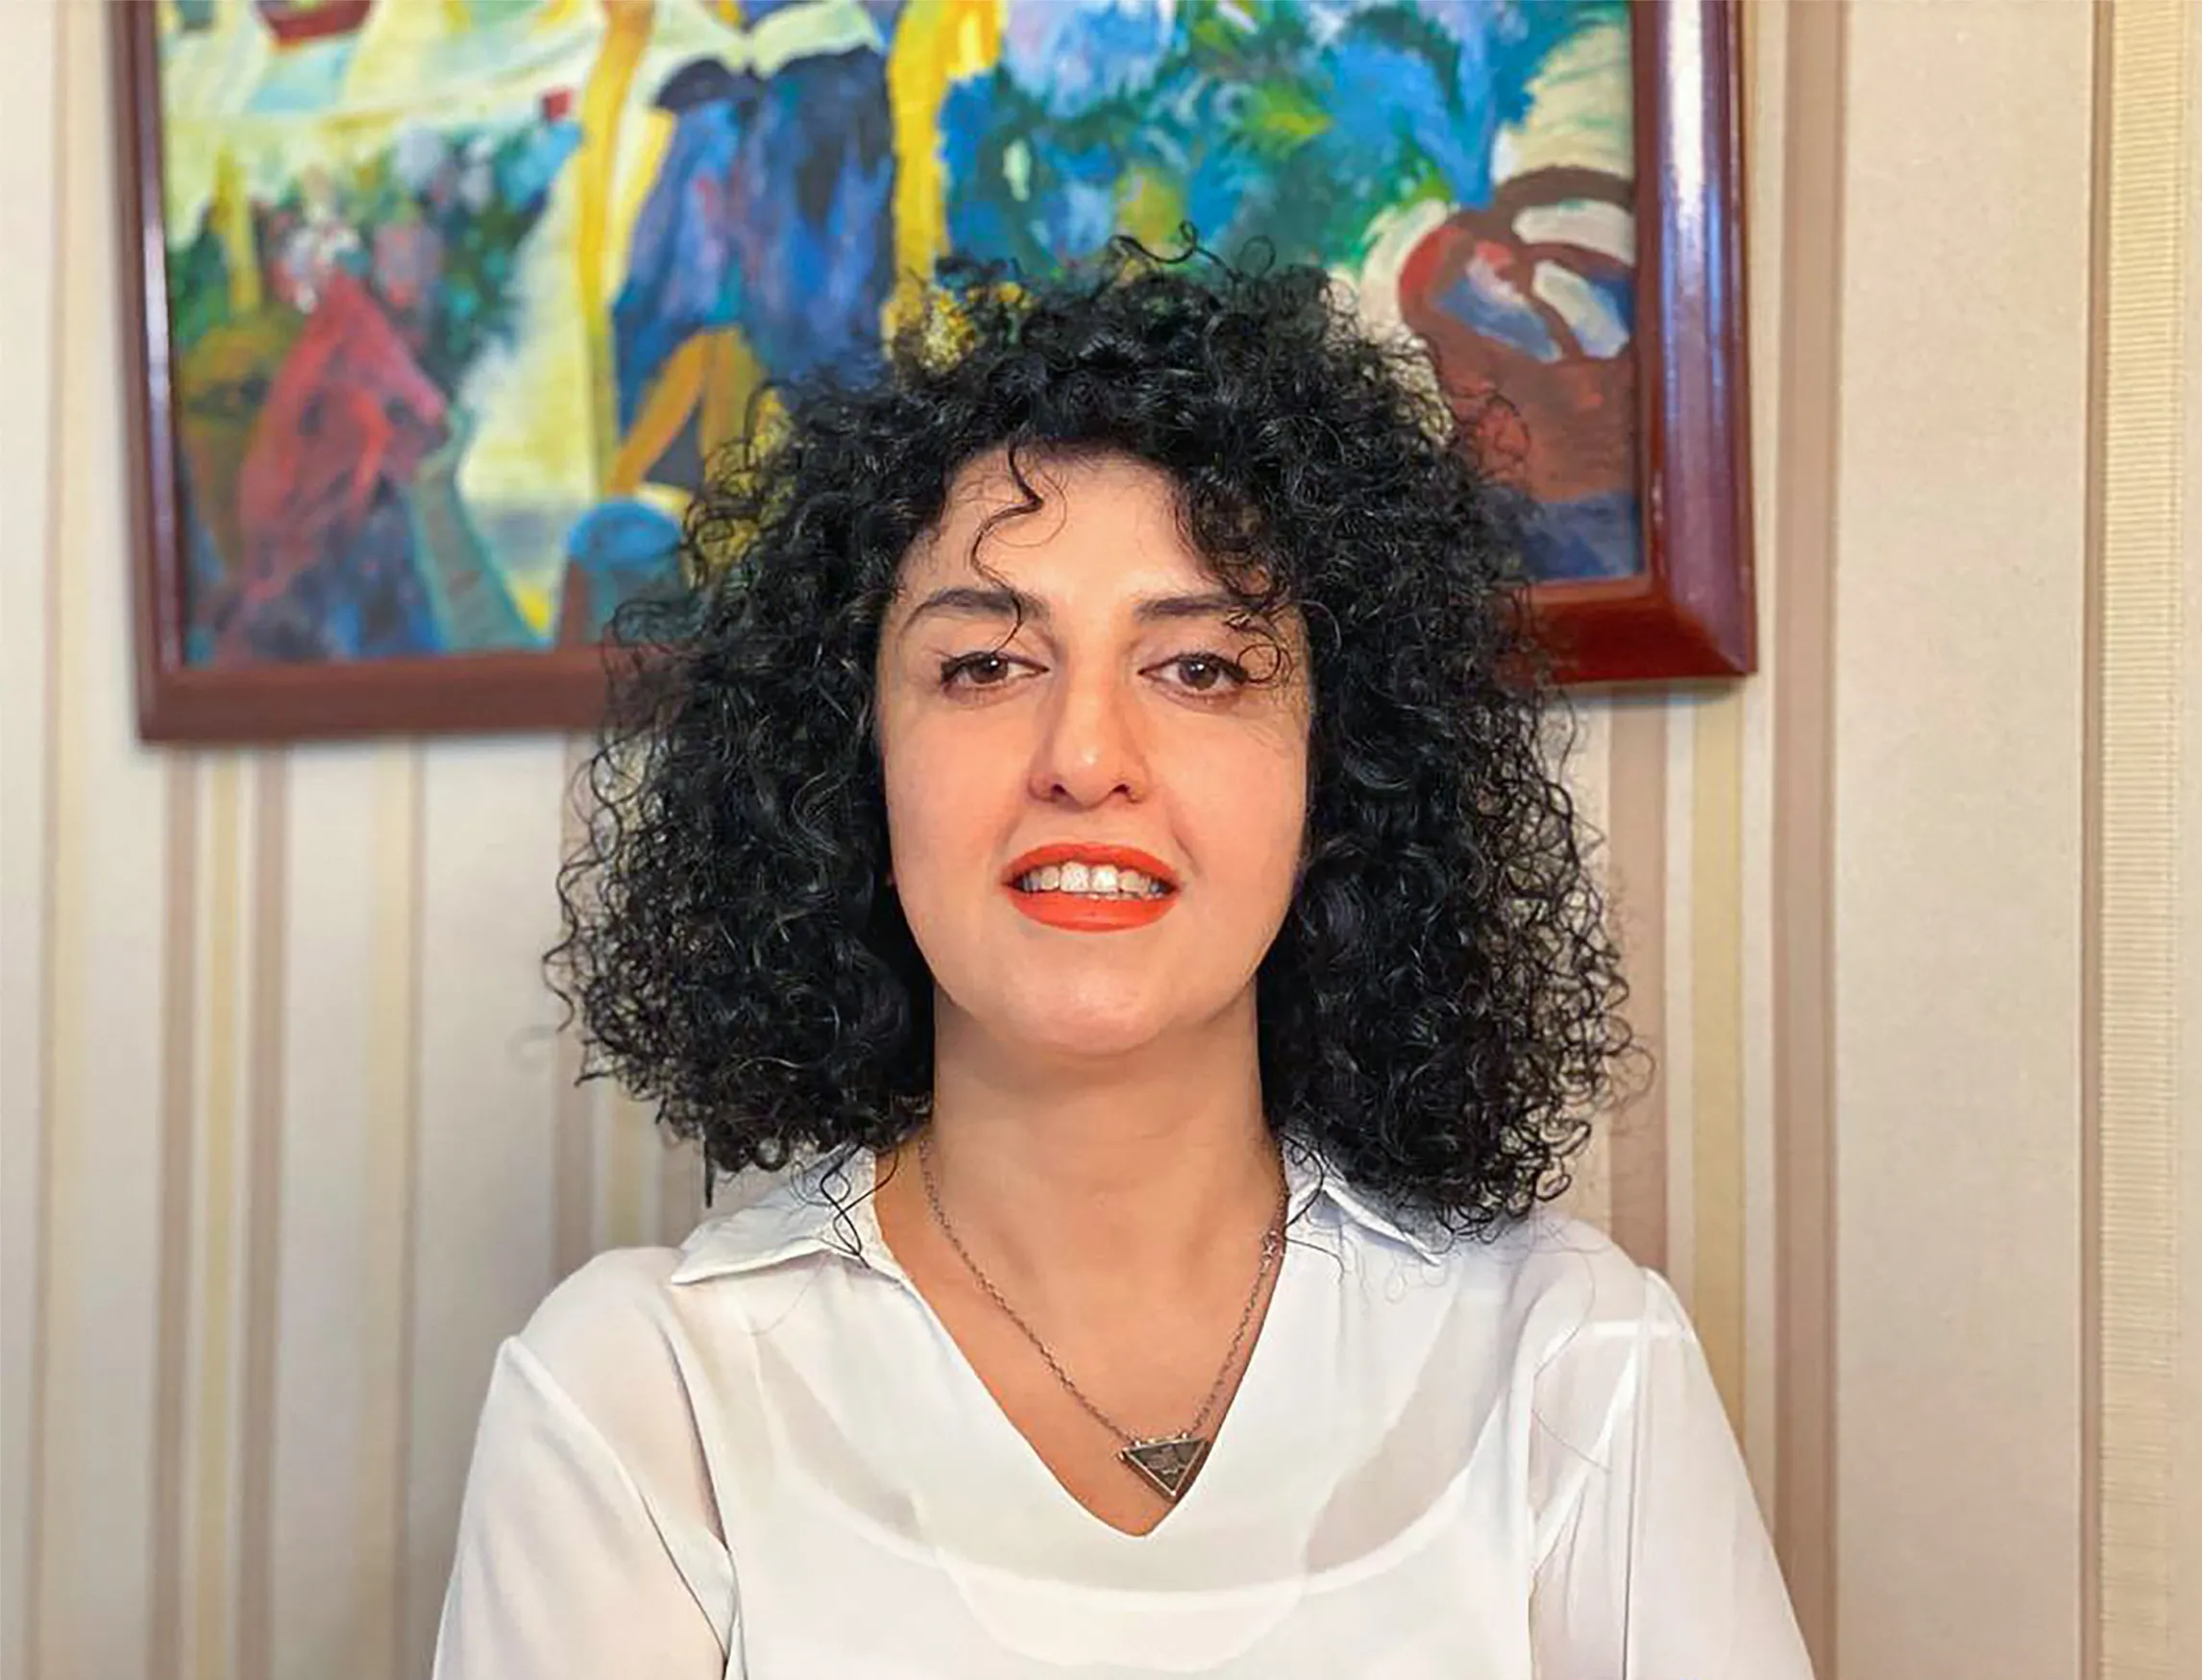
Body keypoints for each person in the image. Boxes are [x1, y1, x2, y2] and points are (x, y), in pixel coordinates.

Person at [431, 243, 1814, 1677]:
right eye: (984, 666)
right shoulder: (644, 1394)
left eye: (1202, 668)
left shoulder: (1571, 1361)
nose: (1085, 758)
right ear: (855, 768)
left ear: (1339, 772)